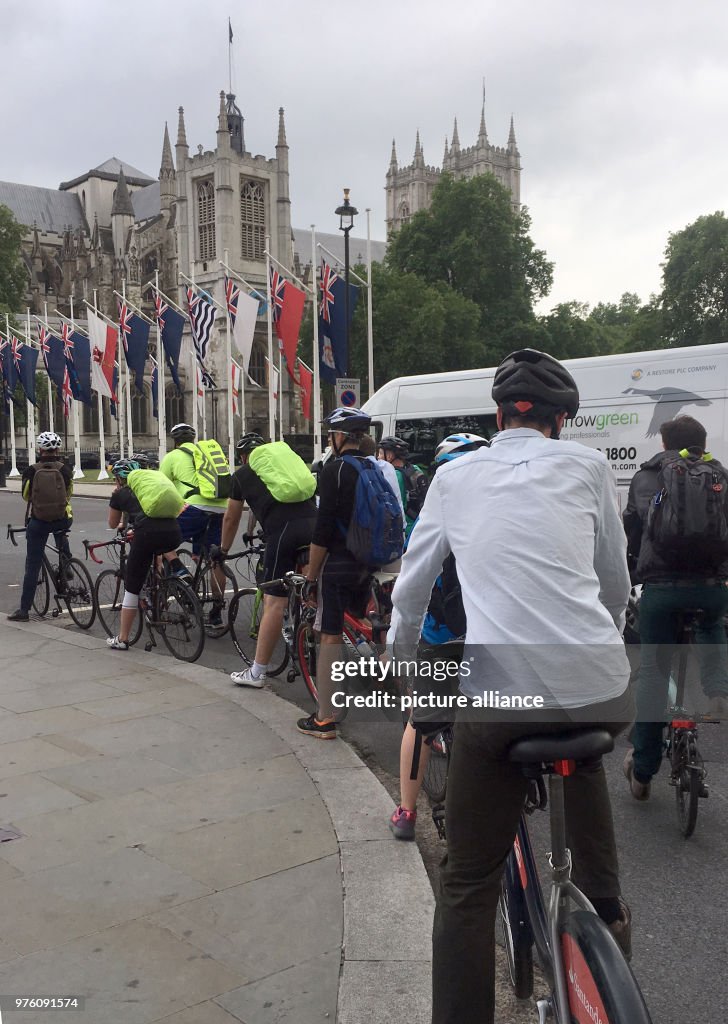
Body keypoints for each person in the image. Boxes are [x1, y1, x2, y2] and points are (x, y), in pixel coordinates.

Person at [387, 349, 633, 1024]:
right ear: (561, 423)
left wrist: (404, 666)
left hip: (500, 698)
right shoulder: (588, 468)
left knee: (467, 882)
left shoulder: (455, 476)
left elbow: (411, 591)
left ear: (498, 416)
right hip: (600, 688)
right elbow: (613, 585)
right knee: (581, 751)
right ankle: (607, 913)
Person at [622, 414, 728, 800]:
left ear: (664, 443)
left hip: (662, 590)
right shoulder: (721, 476)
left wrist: (636, 570)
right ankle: (717, 687)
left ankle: (644, 771)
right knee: (712, 623)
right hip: (712, 587)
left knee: (653, 671)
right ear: (702, 441)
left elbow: (631, 529)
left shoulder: (648, 476)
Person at [388, 433, 488, 840]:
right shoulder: (503, 508)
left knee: (420, 721)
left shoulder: (439, 504)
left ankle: (407, 812)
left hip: (442, 633)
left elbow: (413, 582)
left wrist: (400, 648)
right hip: (493, 635)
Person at [298, 407, 378, 738]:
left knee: (329, 635)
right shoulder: (374, 467)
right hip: (370, 561)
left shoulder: (335, 471)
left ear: (339, 436)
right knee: (368, 624)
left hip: (341, 561)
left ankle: (325, 719)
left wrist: (311, 576)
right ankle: (389, 679)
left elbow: (323, 532)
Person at [219, 432, 317, 687]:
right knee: (314, 588)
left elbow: (231, 518)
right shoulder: (284, 467)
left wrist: (223, 549)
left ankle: (257, 673)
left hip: (284, 532)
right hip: (315, 526)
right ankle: (316, 633)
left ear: (243, 457)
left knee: (275, 602)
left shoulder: (242, 475)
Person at [105, 459, 182, 650]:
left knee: (132, 586)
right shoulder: (150, 488)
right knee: (157, 550)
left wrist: (117, 500)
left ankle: (122, 639)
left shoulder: (121, 493)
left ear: (118, 479)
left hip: (147, 534)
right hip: (173, 532)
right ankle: (169, 578)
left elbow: (112, 524)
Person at [159, 423, 228, 625]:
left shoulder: (172, 457)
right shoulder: (205, 454)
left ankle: (179, 569)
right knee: (214, 560)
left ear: (175, 441)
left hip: (194, 507)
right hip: (220, 507)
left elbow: (161, 486)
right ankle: (216, 613)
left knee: (160, 539)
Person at [8, 432, 74, 622]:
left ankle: (23, 611)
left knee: (32, 564)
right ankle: (66, 564)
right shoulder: (65, 469)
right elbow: (69, 493)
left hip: (39, 521)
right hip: (62, 518)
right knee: (61, 533)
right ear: (57, 449)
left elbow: (26, 496)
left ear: (40, 449)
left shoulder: (31, 470)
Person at [377, 435, 427, 534]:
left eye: (380, 453)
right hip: (418, 525)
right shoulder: (415, 469)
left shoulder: (394, 476)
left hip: (404, 530)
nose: (378, 457)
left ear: (390, 455)